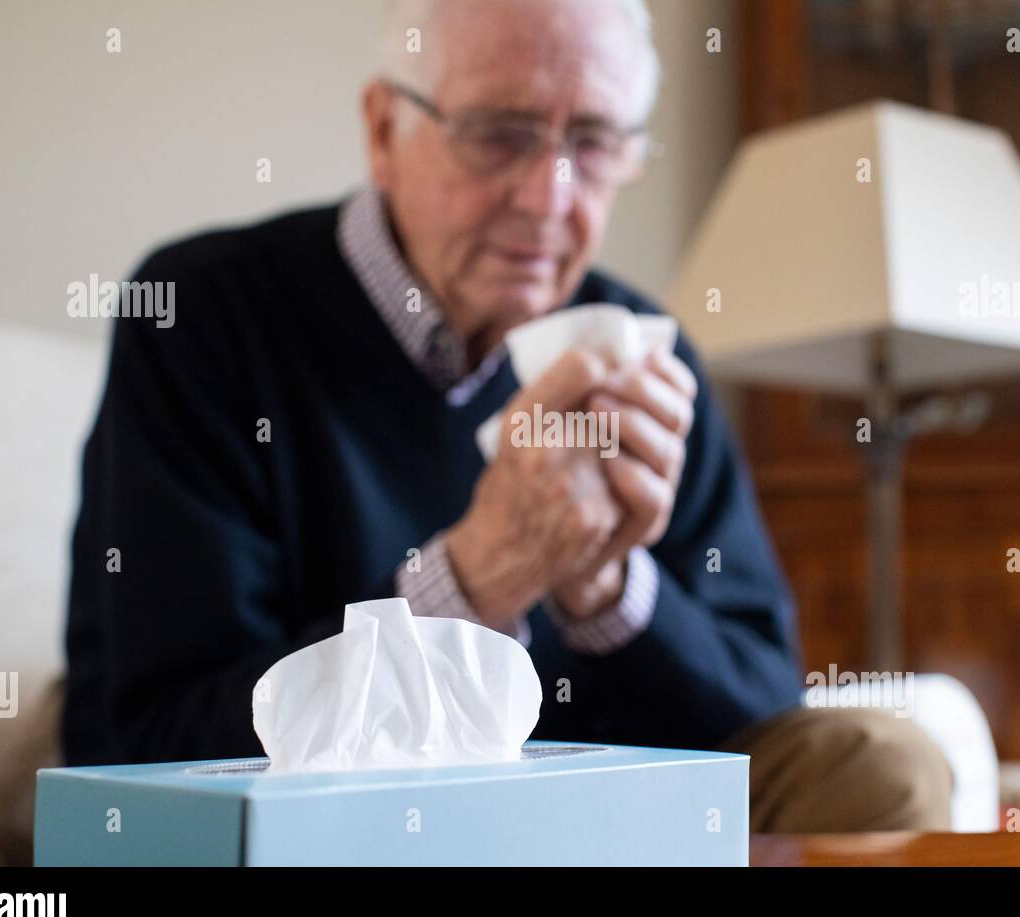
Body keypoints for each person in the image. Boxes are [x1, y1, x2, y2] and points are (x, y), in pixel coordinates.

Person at [62, 0, 952, 833]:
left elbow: (764, 698)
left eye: (595, 141)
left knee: (885, 767)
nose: (549, 198)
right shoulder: (201, 313)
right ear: (384, 131)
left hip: (584, 810)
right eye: (499, 134)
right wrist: (476, 577)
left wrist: (606, 588)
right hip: (341, 819)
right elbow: (162, 737)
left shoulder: (646, 350)